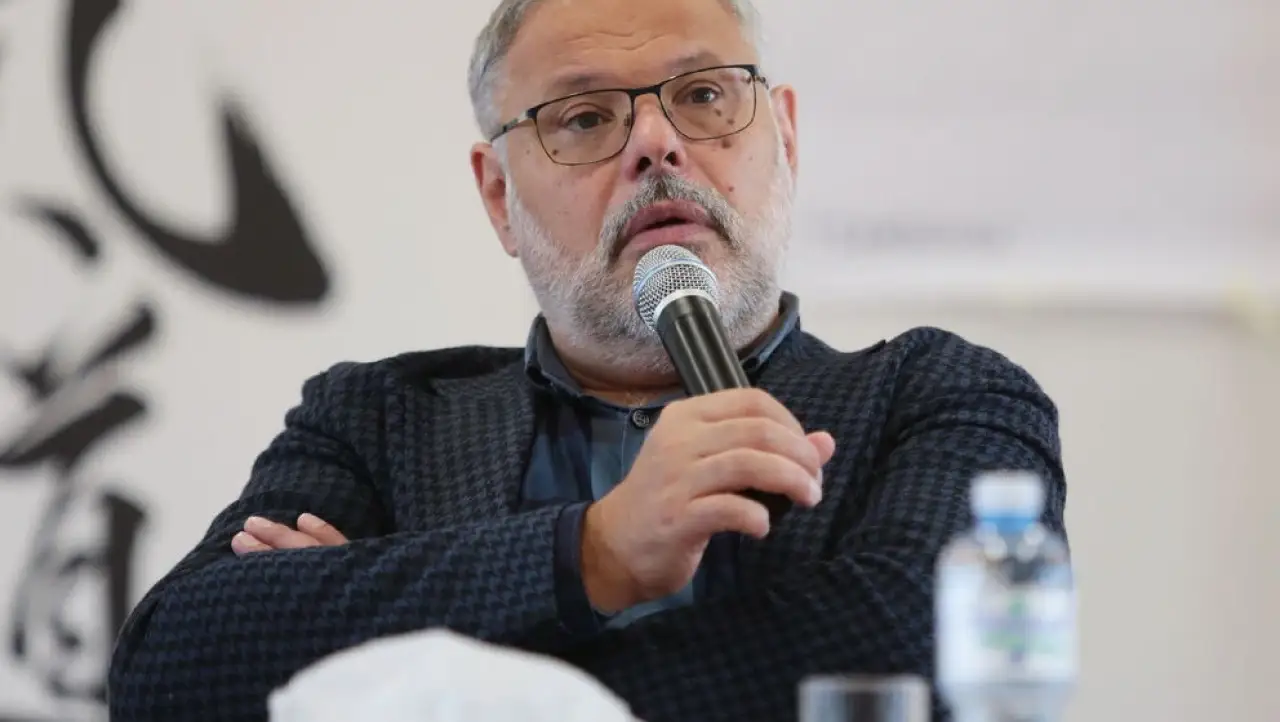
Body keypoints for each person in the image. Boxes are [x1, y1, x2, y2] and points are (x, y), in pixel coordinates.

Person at [106, 0, 1068, 720]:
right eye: (583, 118)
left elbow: (906, 655)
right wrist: (594, 553)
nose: (656, 144)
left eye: (704, 96)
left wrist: (401, 671)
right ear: (498, 197)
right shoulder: (379, 420)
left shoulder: (937, 397)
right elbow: (173, 670)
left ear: (784, 137)